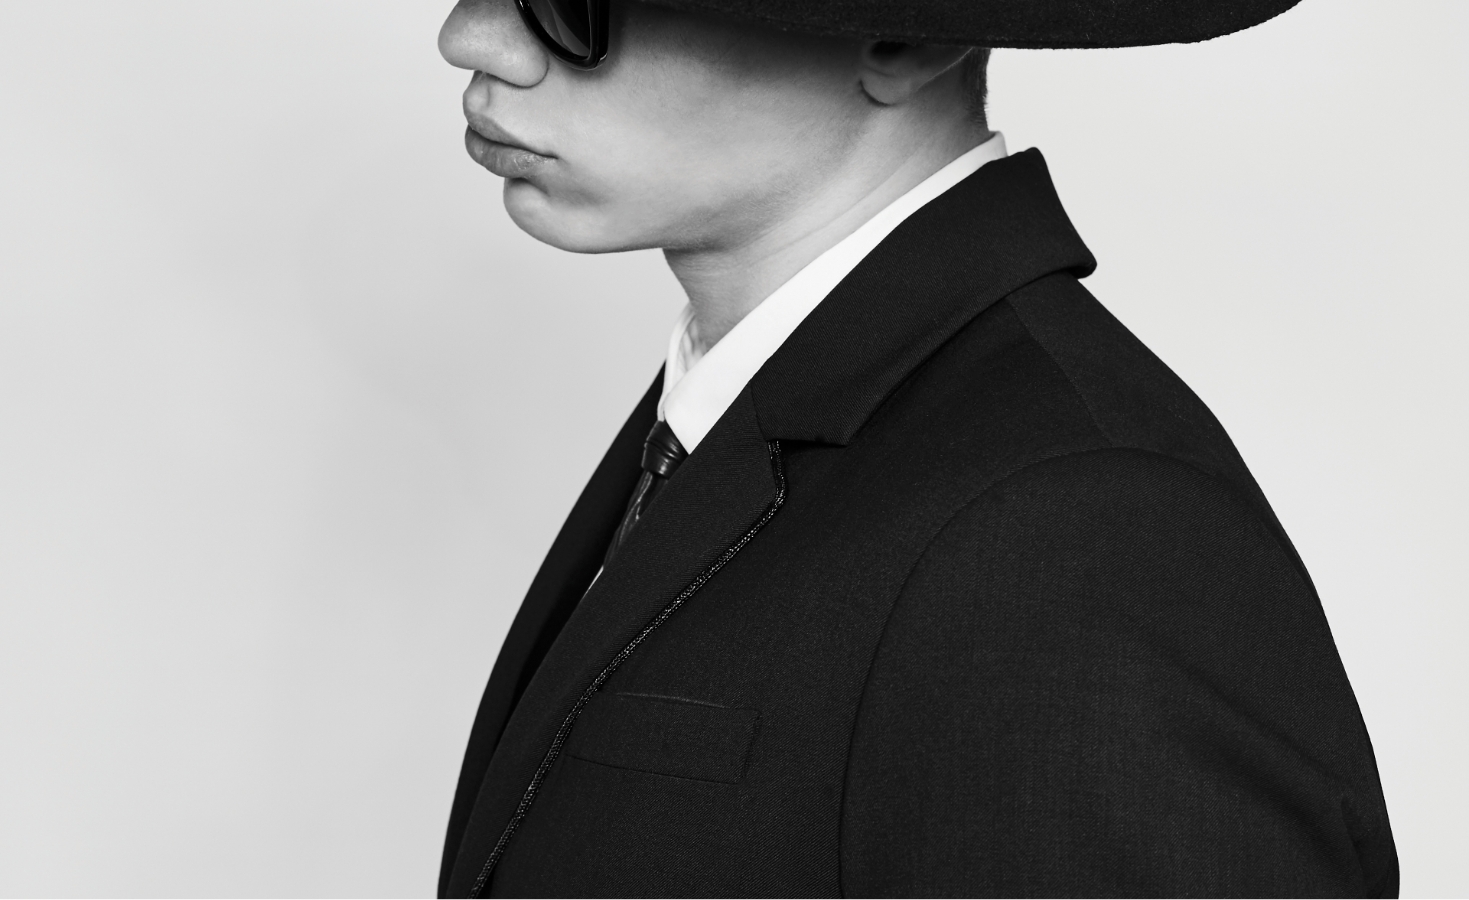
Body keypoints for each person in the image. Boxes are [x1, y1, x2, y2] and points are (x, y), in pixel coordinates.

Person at [434, 0, 1398, 895]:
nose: (471, 37)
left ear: (904, 35)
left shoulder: (1079, 533)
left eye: (576, 1)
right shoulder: (725, 410)